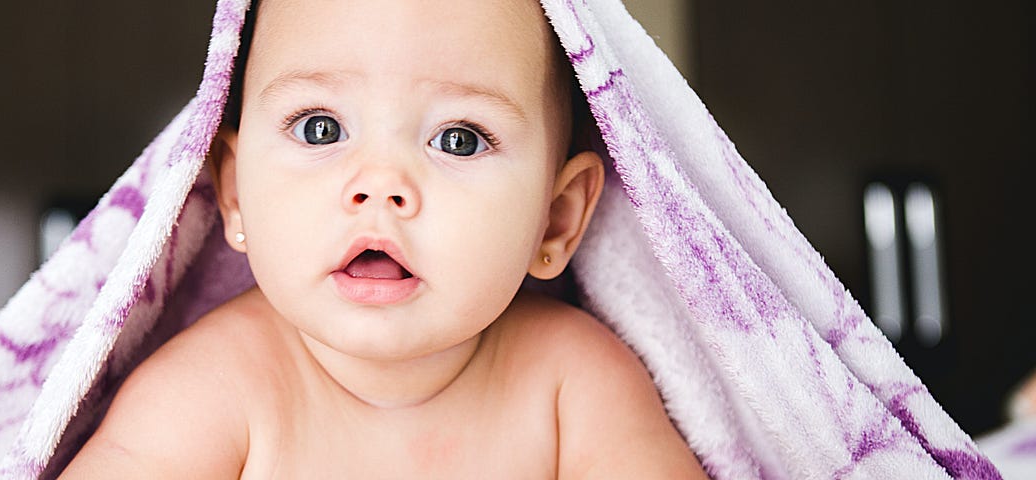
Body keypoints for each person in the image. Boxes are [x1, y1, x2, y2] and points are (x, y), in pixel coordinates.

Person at [61, 0, 707, 476]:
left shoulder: (573, 385)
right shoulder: (208, 394)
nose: (380, 185)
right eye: (319, 128)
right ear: (235, 196)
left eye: (458, 138)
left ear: (556, 218)